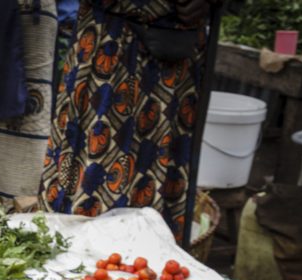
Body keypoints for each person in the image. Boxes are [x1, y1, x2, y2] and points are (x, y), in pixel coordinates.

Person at [38, 0, 218, 242]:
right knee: (93, 171)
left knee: (160, 174)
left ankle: (148, 267)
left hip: (177, 58)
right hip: (108, 44)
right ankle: (77, 263)